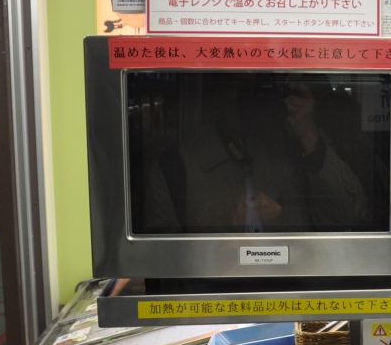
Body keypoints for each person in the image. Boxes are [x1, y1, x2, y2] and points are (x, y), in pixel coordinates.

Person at [135, 74, 371, 234]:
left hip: (297, 283)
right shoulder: (175, 167)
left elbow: (348, 217)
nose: (252, 101)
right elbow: (166, 265)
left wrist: (309, 136)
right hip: (213, 290)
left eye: (264, 86)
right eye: (238, 86)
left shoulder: (302, 148)